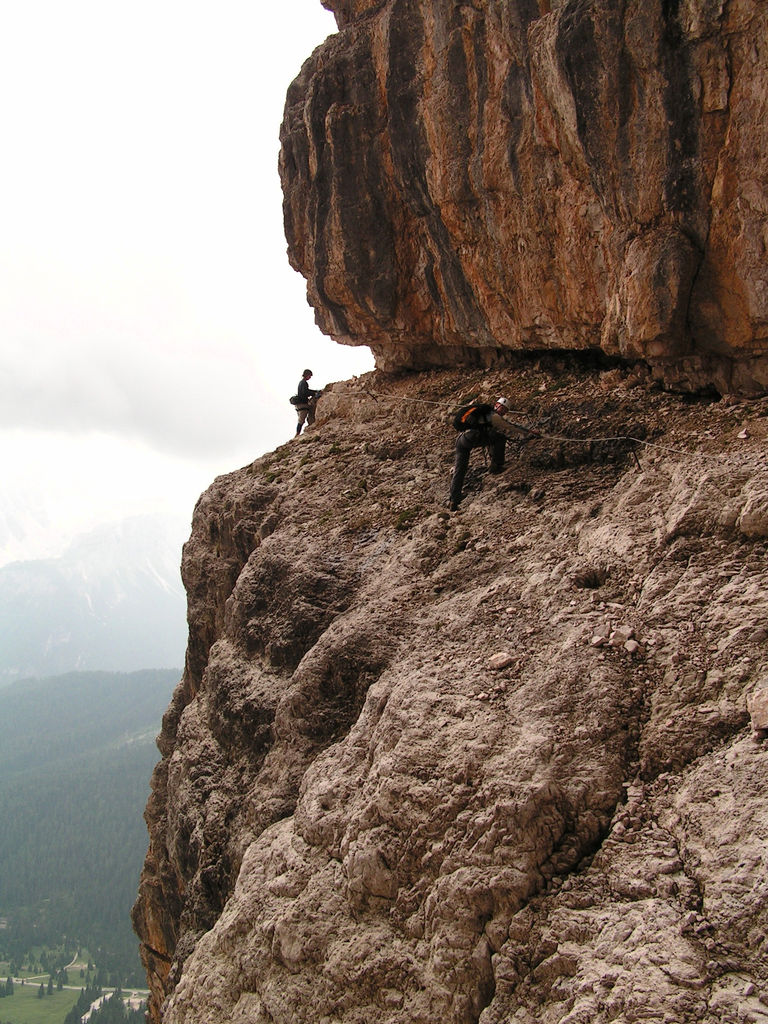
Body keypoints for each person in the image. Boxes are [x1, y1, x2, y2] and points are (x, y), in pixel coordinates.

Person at [448, 397, 535, 510]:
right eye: (503, 409)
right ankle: (496, 466)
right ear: (497, 406)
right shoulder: (493, 416)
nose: (503, 412)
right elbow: (510, 426)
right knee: (499, 438)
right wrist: (529, 432)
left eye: (505, 411)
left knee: (460, 469)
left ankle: (454, 500)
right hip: (472, 437)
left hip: (461, 440)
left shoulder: (481, 413)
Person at [295, 369, 322, 435]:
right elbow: (305, 392)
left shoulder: (302, 382)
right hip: (302, 404)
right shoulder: (303, 382)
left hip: (300, 404)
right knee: (301, 420)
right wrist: (314, 393)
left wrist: (314, 391)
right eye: (309, 376)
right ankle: (297, 434)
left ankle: (309, 427)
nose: (310, 377)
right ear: (307, 375)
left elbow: (307, 391)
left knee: (302, 419)